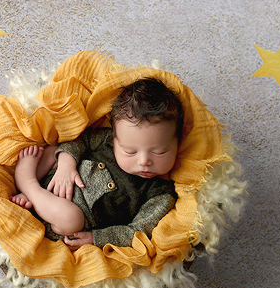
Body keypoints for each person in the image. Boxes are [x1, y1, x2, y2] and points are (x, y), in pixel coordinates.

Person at [12, 77, 184, 250]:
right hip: (57, 177)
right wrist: (66, 166)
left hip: (65, 221)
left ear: (177, 143)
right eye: (130, 151)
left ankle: (28, 185)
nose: (144, 161)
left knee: (71, 218)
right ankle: (33, 193)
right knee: (54, 151)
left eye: (159, 152)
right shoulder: (107, 139)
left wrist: (96, 238)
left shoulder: (160, 195)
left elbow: (138, 231)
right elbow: (80, 141)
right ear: (115, 139)